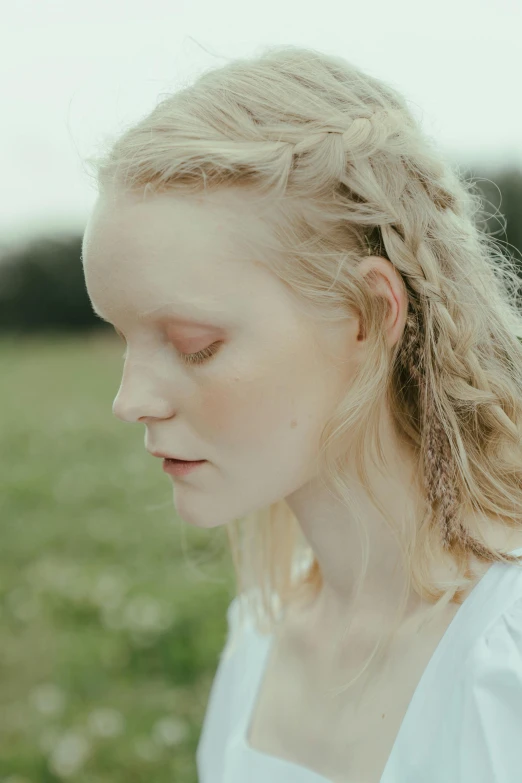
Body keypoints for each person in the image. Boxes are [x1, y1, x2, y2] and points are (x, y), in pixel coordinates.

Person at [80, 45, 522, 782]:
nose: (130, 400)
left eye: (195, 344)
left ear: (366, 312)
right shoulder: (259, 629)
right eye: (122, 336)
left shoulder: (502, 655)